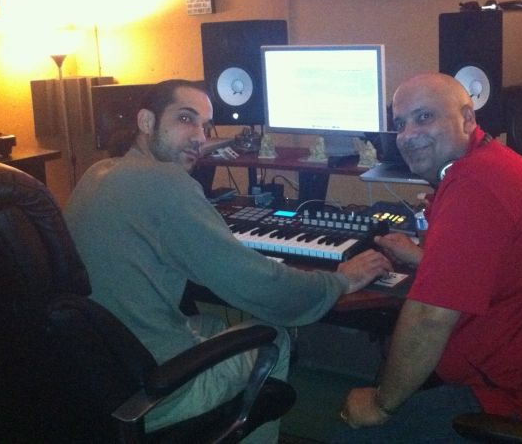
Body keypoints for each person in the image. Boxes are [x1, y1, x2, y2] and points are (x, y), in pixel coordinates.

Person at [64, 79, 391, 443]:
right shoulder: (164, 182)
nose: (199, 138)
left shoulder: (97, 173)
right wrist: (339, 281)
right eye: (185, 119)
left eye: (205, 126)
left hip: (92, 377)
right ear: (146, 121)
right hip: (150, 393)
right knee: (274, 339)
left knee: (213, 323)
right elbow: (260, 284)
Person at [336, 73, 522, 444]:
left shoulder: (477, 186)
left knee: (354, 437)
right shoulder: (484, 165)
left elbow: (429, 319)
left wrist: (380, 404)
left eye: (424, 117)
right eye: (400, 124)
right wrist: (425, 259)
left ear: (468, 119)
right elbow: (492, 272)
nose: (407, 135)